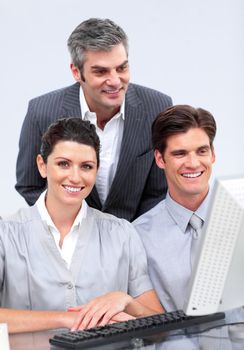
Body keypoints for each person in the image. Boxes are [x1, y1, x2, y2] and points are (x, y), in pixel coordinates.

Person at [0, 118, 163, 334]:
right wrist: (68, 319)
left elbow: (161, 327)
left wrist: (127, 302)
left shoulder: (122, 233)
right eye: (63, 164)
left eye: (86, 166)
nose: (75, 177)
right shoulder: (6, 233)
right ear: (42, 165)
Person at [15, 18, 172, 222]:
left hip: (136, 239)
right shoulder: (41, 111)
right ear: (76, 72)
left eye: (122, 68)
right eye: (101, 71)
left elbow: (158, 191)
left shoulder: (158, 107)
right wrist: (73, 231)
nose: (115, 81)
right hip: (68, 243)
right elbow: (30, 186)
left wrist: (127, 238)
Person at [133, 105, 217, 311]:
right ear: (160, 159)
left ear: (212, 155)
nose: (193, 163)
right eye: (180, 153)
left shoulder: (238, 216)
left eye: (202, 151)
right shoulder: (138, 237)